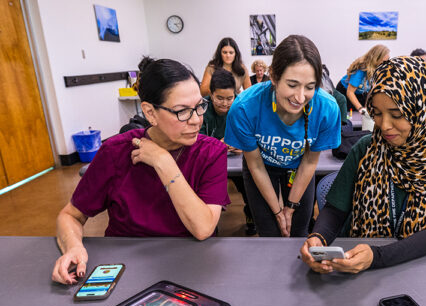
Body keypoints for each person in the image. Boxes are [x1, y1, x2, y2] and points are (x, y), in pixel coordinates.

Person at [52, 57, 230, 284]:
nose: (196, 120)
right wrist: (74, 247)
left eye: (199, 107)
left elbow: (203, 227)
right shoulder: (115, 152)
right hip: (127, 268)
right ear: (150, 112)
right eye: (182, 111)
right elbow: (71, 215)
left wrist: (163, 162)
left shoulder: (211, 153)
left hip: (192, 267)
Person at [300, 56, 426, 273]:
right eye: (377, 114)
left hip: (417, 266)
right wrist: (318, 237)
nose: (384, 126)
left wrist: (377, 257)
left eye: (397, 115)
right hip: (356, 267)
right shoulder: (366, 148)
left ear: (425, 111)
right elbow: (335, 209)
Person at [225, 35, 341, 237]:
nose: (300, 97)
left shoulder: (327, 108)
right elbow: (255, 164)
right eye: (292, 84)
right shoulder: (245, 107)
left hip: (299, 166)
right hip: (261, 166)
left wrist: (290, 206)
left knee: (298, 230)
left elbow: (310, 161)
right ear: (274, 77)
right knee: (269, 231)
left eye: (310, 87)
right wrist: (278, 211)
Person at [200, 68, 256, 235]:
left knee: (249, 185)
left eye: (229, 98)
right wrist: (217, 145)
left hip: (238, 161)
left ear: (235, 94)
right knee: (205, 188)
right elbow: (196, 139)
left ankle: (251, 215)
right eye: (219, 98)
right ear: (211, 93)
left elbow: (253, 133)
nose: (225, 103)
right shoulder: (201, 108)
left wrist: (244, 145)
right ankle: (209, 220)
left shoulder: (242, 106)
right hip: (209, 160)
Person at [336, 44, 390, 113]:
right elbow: (350, 92)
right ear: (376, 59)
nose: (386, 64)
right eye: (383, 62)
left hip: (360, 91)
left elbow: (370, 90)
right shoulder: (361, 69)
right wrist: (360, 108)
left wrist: (367, 107)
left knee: (365, 112)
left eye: (387, 60)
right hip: (345, 91)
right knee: (351, 116)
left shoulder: (379, 69)